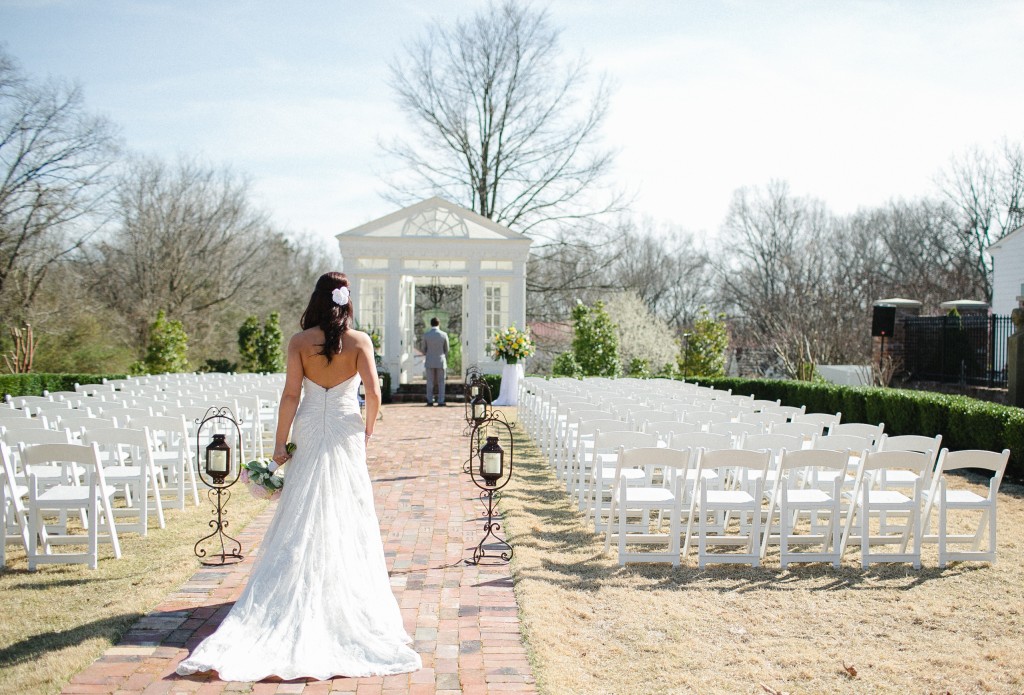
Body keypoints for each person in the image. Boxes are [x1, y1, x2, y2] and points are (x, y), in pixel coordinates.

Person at [176, 272, 421, 681]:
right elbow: (374, 395)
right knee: (347, 510)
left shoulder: (298, 342)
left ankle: (289, 594)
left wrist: (278, 447)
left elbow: (291, 395)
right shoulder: (360, 341)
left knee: (301, 508)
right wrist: (368, 430)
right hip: (345, 429)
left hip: (308, 427)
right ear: (346, 302)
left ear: (316, 299)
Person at [420, 316, 449, 406]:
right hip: (440, 360)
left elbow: (423, 349)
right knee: (441, 382)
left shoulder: (426, 335)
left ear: (430, 324)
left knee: (430, 382)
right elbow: (447, 349)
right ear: (438, 324)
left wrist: (428, 354)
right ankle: (441, 400)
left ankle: (430, 400)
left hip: (429, 360)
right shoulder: (444, 335)